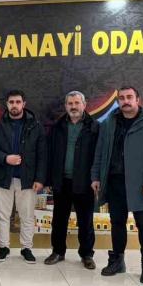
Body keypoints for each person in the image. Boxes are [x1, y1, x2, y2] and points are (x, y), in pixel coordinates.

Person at [91, 86, 143, 284]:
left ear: (137, 99)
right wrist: (96, 176)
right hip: (114, 181)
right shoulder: (109, 122)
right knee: (117, 222)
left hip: (141, 184)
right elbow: (100, 152)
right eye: (122, 98)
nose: (125, 101)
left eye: (129, 97)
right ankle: (117, 261)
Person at [0, 89, 47, 263]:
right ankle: (3, 247)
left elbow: (43, 154)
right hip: (3, 177)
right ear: (7, 104)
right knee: (2, 215)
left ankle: (26, 248)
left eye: (18, 102)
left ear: (24, 104)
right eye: (11, 102)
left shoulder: (35, 126)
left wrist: (40, 178)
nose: (15, 105)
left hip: (27, 179)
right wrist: (5, 158)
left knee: (27, 216)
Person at [45, 91, 99, 269]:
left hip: (85, 182)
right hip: (61, 181)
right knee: (59, 220)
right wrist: (49, 179)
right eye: (70, 103)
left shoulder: (95, 127)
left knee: (85, 221)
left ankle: (87, 255)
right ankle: (58, 252)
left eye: (77, 103)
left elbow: (99, 156)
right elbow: (50, 153)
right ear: (65, 106)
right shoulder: (57, 127)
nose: (73, 106)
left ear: (84, 104)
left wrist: (96, 178)